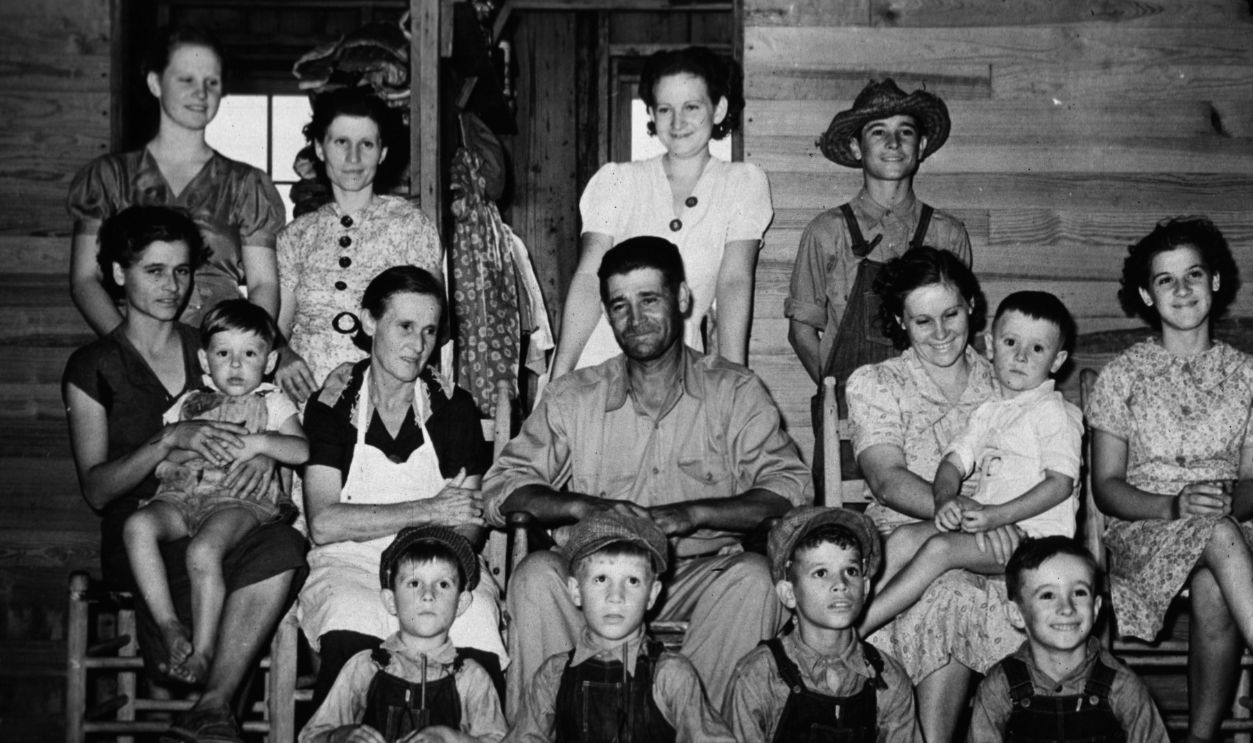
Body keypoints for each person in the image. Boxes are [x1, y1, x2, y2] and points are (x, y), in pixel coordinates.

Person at [484, 236, 810, 717]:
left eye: (649, 300)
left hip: (694, 573)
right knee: (536, 577)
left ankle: (693, 727)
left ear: (681, 299)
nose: (634, 319)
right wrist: (583, 507)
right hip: (594, 577)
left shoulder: (735, 391)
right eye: (620, 305)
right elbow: (502, 486)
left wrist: (693, 514)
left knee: (756, 579)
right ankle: (553, 728)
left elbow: (791, 490)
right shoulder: (574, 396)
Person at [62, 205, 307, 742]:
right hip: (150, 526)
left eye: (181, 270)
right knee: (215, 561)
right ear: (119, 275)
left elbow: (257, 409)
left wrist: (260, 454)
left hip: (226, 510)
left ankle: (212, 705)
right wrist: (168, 439)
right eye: (154, 270)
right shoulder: (92, 367)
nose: (172, 286)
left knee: (282, 545)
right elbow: (98, 490)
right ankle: (201, 682)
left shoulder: (210, 344)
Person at [299, 266, 506, 709]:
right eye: (405, 327)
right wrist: (431, 509)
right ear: (370, 321)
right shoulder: (334, 404)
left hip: (439, 559)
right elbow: (324, 523)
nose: (418, 346)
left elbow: (467, 525)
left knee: (478, 620)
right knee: (349, 616)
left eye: (429, 331)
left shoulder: (453, 405)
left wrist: (429, 568)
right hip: (350, 562)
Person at [844, 245, 1023, 741]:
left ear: (970, 305)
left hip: (1000, 538)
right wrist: (963, 511)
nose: (941, 333)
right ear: (901, 322)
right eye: (923, 321)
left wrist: (993, 518)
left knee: (965, 588)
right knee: (944, 587)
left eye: (950, 314)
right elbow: (886, 479)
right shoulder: (878, 383)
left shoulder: (1005, 380)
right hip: (909, 541)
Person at [1086, 216, 1253, 743]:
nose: (1182, 290)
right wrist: (1174, 507)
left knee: (1213, 584)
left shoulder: (1248, 375)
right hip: (1146, 527)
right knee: (1218, 532)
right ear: (1146, 294)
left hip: (1232, 531)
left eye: (1194, 275)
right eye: (1165, 279)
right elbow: (1106, 487)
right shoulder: (1123, 376)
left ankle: (1198, 739)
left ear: (1216, 282)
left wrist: (1231, 497)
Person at [858, 290, 1083, 636]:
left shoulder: (1054, 413)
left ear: (1057, 360)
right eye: (1010, 342)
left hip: (1039, 543)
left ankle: (857, 632)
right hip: (993, 528)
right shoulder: (990, 412)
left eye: (1037, 348)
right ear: (991, 347)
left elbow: (1060, 485)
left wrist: (996, 516)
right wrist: (945, 499)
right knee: (903, 539)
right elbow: (952, 463)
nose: (1021, 356)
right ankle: (850, 617)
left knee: (940, 548)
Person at [786, 79, 971, 497]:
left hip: (935, 413)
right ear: (856, 149)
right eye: (877, 132)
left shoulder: (947, 234)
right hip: (849, 416)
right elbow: (801, 330)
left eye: (905, 131)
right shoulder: (826, 233)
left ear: (920, 146)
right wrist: (841, 392)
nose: (893, 142)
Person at [550, 46, 772, 376]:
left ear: (719, 108)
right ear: (652, 113)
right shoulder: (618, 181)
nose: (678, 122)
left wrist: (735, 380)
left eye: (691, 106)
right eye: (665, 109)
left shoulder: (741, 184)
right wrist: (561, 375)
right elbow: (586, 279)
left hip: (676, 375)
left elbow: (735, 283)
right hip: (597, 366)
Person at [123, 299, 307, 685]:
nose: (236, 365)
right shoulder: (188, 403)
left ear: (270, 361)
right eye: (224, 353)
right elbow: (162, 453)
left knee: (203, 550)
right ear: (205, 361)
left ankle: (205, 650)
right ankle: (169, 624)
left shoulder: (272, 401)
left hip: (238, 500)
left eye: (250, 353)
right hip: (180, 496)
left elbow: (301, 450)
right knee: (137, 526)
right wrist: (167, 464)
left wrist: (261, 445)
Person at [68, 25, 285, 335]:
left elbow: (264, 284)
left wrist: (244, 350)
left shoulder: (246, 184)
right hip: (135, 350)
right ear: (155, 83)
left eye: (212, 81)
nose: (202, 93)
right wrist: (131, 353)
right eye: (187, 79)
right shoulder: (109, 178)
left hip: (219, 358)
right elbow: (84, 280)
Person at [505, 511, 736, 742]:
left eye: (632, 581)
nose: (616, 596)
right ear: (576, 591)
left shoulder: (670, 675)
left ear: (652, 595)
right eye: (601, 579)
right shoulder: (554, 675)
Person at [277, 87, 444, 405]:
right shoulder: (295, 236)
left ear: (381, 153)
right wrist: (282, 355)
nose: (353, 158)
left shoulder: (410, 224)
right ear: (320, 148)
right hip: (305, 404)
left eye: (366, 144)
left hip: (387, 400)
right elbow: (278, 328)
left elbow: (432, 322)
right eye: (341, 142)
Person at [723, 506, 920, 742]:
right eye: (820, 573)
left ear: (865, 588)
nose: (840, 584)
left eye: (851, 570)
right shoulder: (759, 676)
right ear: (788, 593)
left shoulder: (888, 680)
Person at [300, 526, 507, 743]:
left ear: (461, 603)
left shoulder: (470, 677)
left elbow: (498, 739)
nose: (428, 595)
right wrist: (338, 735)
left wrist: (452, 738)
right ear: (391, 601)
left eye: (443, 584)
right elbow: (311, 735)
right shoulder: (365, 667)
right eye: (414, 583)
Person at [967, 536, 1168, 742]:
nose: (1066, 608)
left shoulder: (1123, 687)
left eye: (1079, 593)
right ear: (1017, 614)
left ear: (1096, 608)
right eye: (1047, 595)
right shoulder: (999, 688)